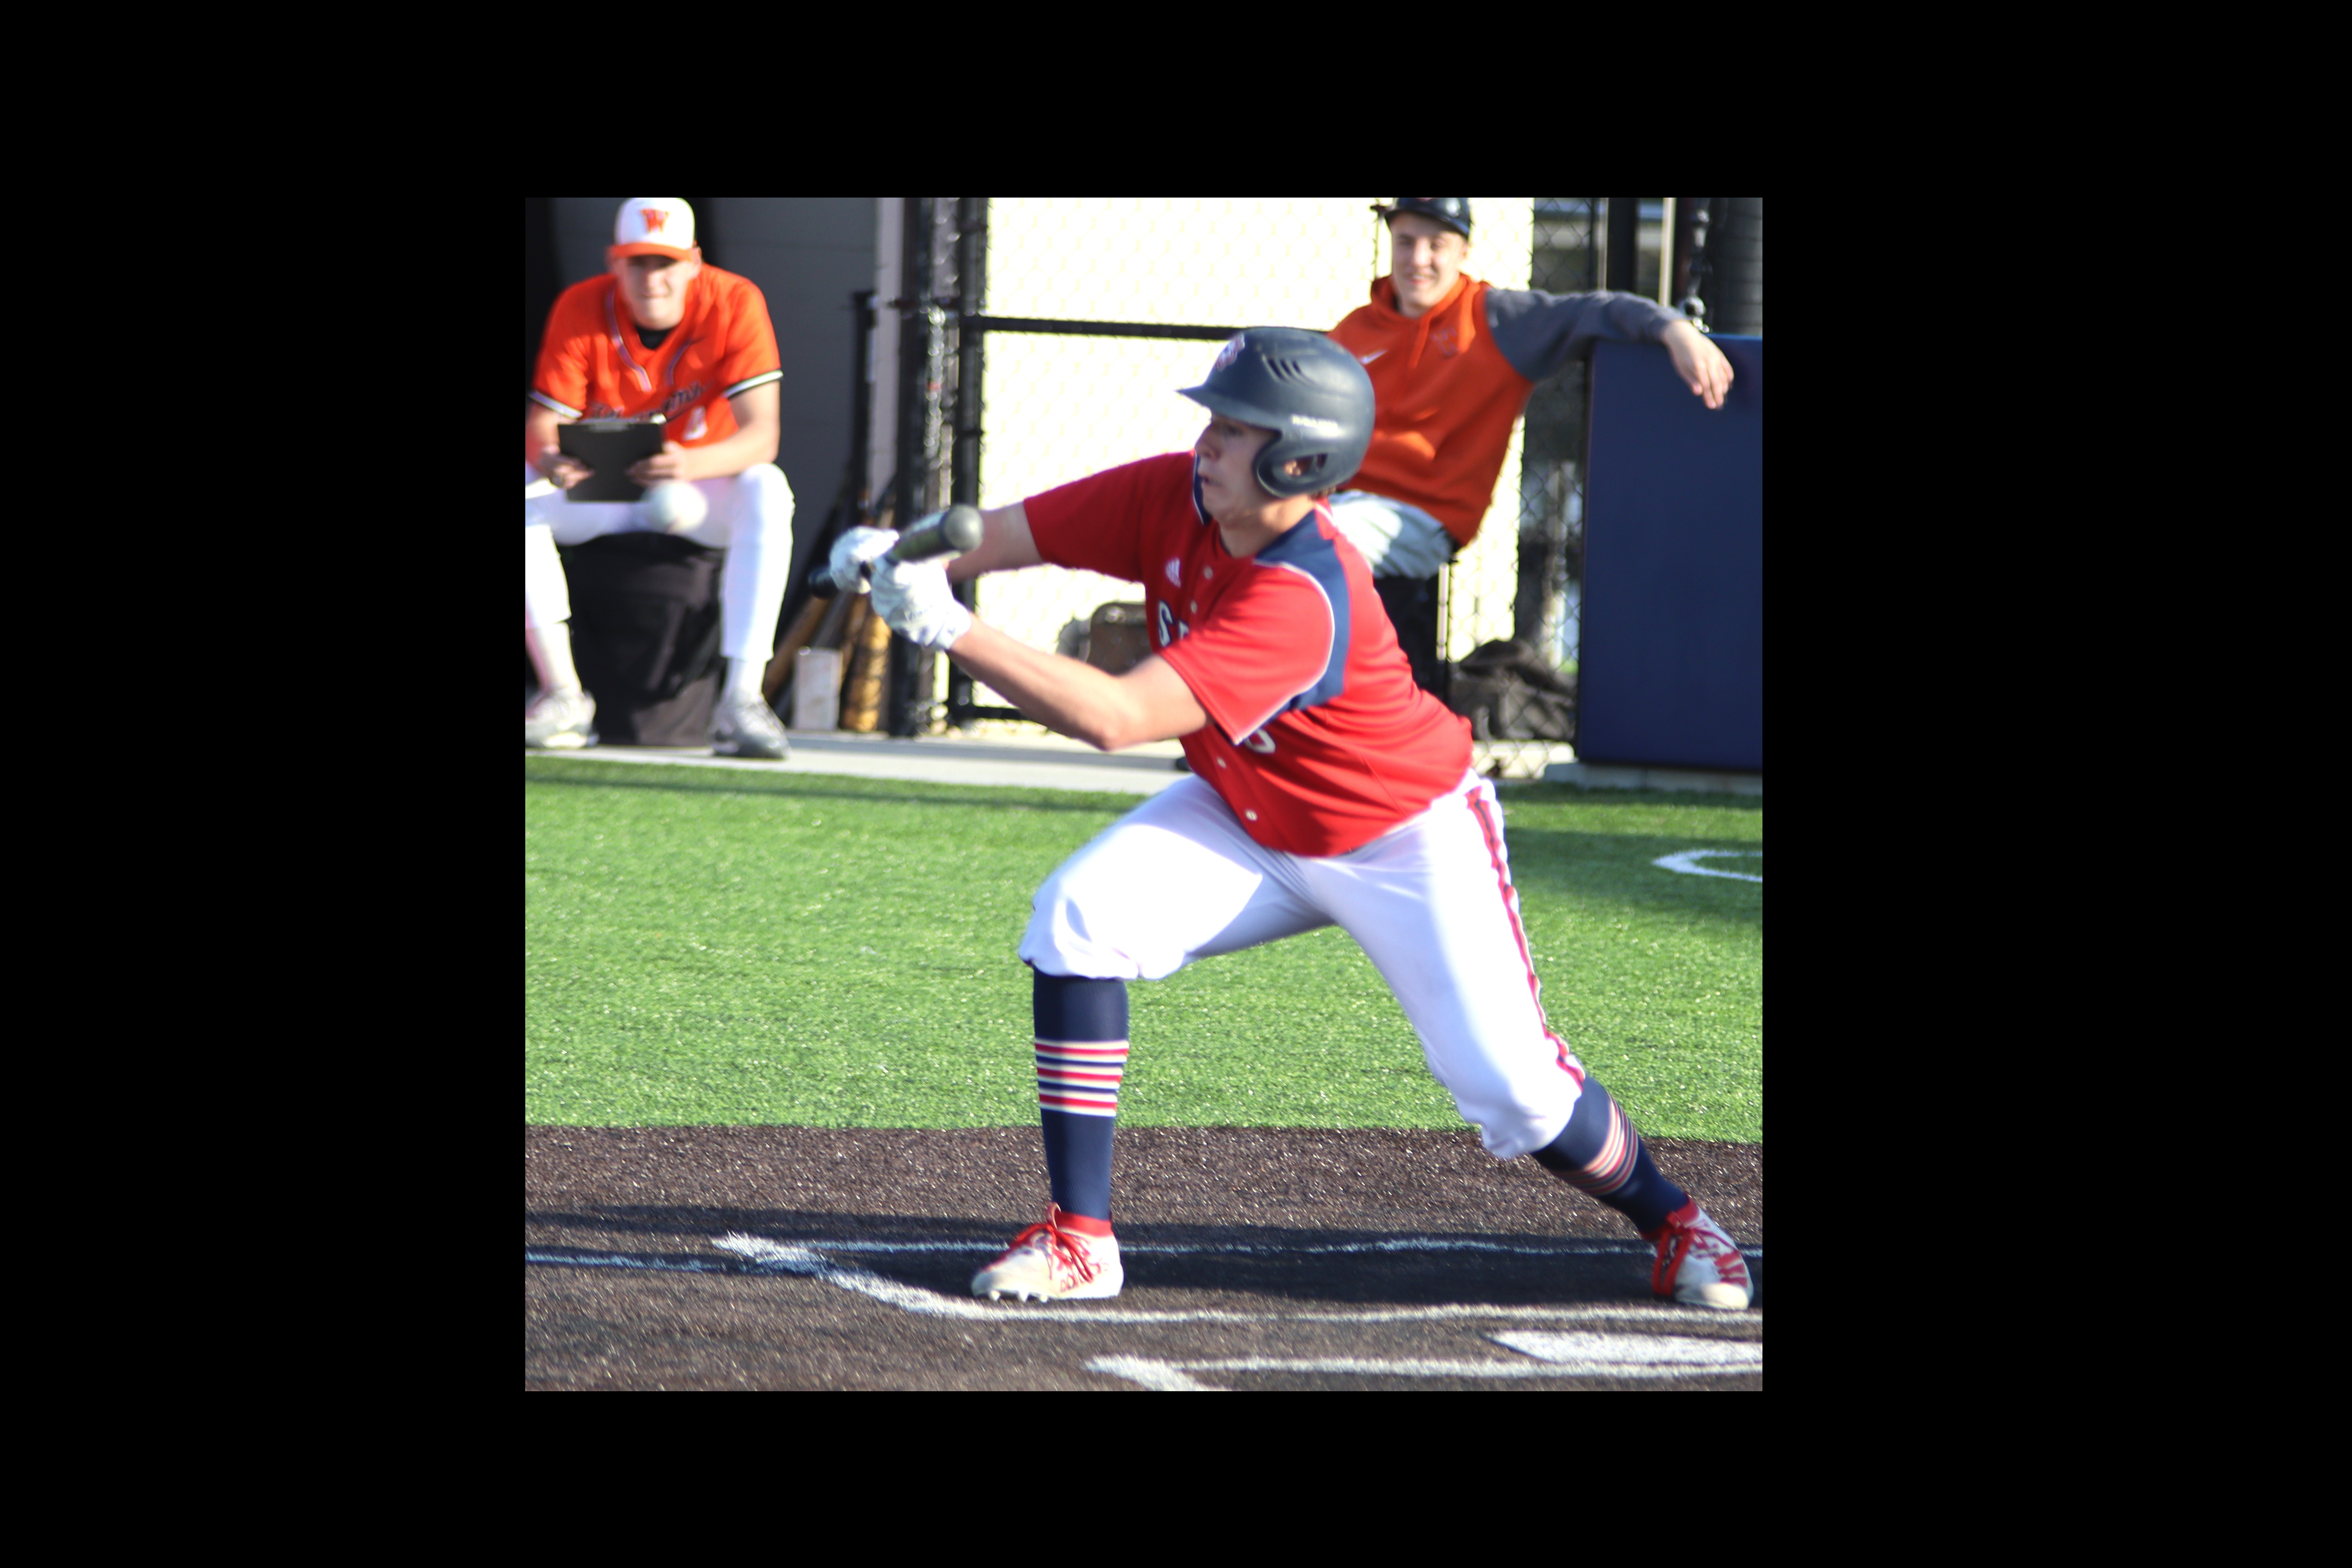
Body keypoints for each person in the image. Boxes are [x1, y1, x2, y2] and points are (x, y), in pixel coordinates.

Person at [828, 327, 1751, 1311]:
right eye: (1216, 423)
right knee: (1079, 915)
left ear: (1301, 458)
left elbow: (1116, 717)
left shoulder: (1302, 592)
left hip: (1402, 835)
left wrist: (949, 625)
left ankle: (1677, 1219)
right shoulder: (1172, 494)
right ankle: (1081, 1240)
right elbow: (1002, 535)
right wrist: (903, 550)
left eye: (1235, 428)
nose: (1208, 443)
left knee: (1515, 1089)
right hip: (1250, 809)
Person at [1327, 197, 1736, 694]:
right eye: (1406, 242)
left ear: (1463, 251)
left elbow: (1598, 309)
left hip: (1422, 516)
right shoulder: (1356, 328)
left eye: (1436, 245)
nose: (1419, 259)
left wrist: (1673, 328)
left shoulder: (1497, 318)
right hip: (1339, 504)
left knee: (1316, 539)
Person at [524, 197, 795, 759]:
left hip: (695, 487)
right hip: (607, 487)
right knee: (526, 491)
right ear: (615, 263)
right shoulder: (582, 304)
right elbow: (543, 423)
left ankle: (742, 700)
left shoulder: (734, 300)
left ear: (693, 263)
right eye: (639, 263)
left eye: (666, 263)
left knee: (767, 488)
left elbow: (761, 437)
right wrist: (552, 459)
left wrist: (688, 464)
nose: (653, 278)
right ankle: (563, 694)